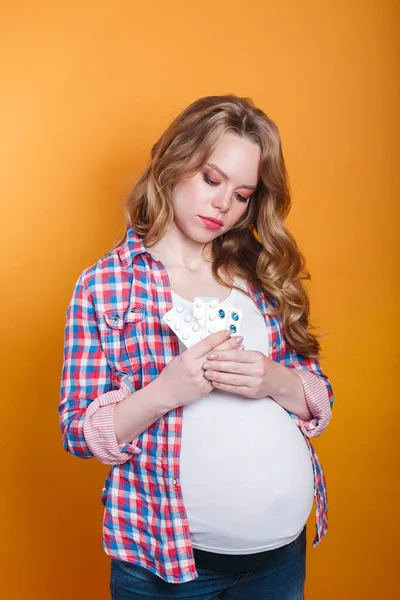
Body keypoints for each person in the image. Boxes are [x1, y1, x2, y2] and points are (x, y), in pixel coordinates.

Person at [59, 94, 334, 599]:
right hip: (167, 564)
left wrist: (275, 379)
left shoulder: (261, 276)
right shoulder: (106, 285)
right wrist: (163, 391)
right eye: (211, 179)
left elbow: (319, 397)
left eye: (243, 193)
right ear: (172, 164)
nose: (223, 204)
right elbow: (78, 431)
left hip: (280, 559)